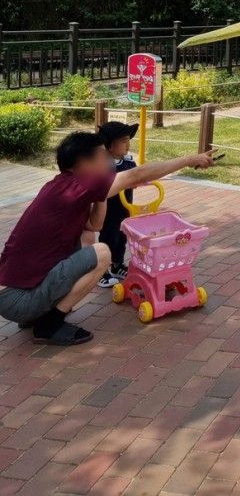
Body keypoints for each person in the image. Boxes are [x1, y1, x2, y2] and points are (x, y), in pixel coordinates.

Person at [0, 131, 213, 346]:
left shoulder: (64, 186)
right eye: (104, 157)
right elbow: (136, 175)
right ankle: (49, 325)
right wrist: (191, 160)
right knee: (102, 253)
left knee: (87, 238)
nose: (111, 163)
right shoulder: (75, 187)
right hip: (17, 300)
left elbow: (94, 225)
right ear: (83, 163)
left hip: (15, 295)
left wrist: (103, 193)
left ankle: (38, 314)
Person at [96, 121, 138, 287]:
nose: (128, 145)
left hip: (124, 208)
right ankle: (101, 271)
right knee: (107, 238)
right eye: (123, 141)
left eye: (129, 140)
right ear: (109, 146)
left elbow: (135, 178)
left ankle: (117, 264)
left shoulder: (128, 162)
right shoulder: (103, 166)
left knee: (121, 237)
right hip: (108, 210)